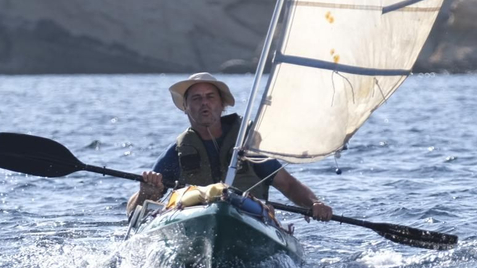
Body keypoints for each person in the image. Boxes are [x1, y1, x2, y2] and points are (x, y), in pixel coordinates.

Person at [135, 72, 334, 221]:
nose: (204, 103)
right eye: (196, 98)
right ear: (185, 107)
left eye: (210, 97)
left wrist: (314, 203)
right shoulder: (177, 152)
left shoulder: (247, 146)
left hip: (249, 218)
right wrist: (145, 192)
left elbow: (288, 185)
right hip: (197, 221)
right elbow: (134, 210)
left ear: (222, 105)